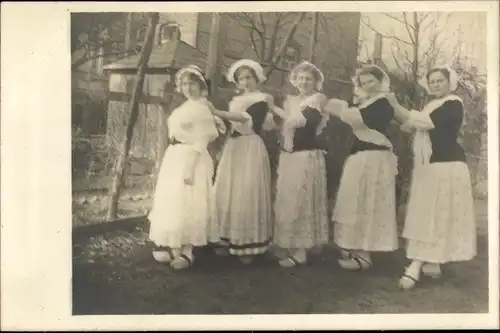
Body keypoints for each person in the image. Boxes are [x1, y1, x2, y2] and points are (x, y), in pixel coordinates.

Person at [386, 65, 477, 290]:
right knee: (431, 212)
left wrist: (395, 104)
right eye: (433, 81)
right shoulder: (431, 106)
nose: (436, 84)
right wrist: (393, 109)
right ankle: (433, 262)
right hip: (432, 165)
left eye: (440, 81)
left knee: (436, 213)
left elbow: (424, 123)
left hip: (447, 165)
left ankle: (416, 264)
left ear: (450, 83)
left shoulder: (453, 103)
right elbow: (409, 125)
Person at [148, 65, 226, 270]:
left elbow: (201, 141)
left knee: (191, 202)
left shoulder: (201, 109)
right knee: (175, 202)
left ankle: (187, 251)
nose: (187, 87)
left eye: (192, 84)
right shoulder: (184, 107)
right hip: (176, 155)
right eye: (184, 83)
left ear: (201, 87)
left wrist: (190, 169)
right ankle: (173, 246)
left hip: (192, 157)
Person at [210, 59, 287, 264]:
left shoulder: (263, 98)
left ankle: (249, 243)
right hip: (234, 146)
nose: (245, 82)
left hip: (250, 146)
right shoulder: (236, 99)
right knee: (229, 191)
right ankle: (228, 239)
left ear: (257, 79)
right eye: (241, 78)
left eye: (249, 77)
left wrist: (218, 112)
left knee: (247, 191)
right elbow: (233, 125)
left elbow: (246, 118)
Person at [324, 65, 398, 271]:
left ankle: (364, 255)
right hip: (359, 157)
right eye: (363, 83)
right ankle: (353, 246)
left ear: (380, 81)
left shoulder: (384, 101)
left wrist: (346, 108)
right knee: (354, 201)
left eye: (370, 81)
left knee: (368, 202)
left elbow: (365, 121)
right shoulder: (365, 102)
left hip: (374, 158)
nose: (367, 86)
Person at [273, 61, 330, 268]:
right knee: (288, 200)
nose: (304, 82)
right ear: (294, 81)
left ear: (316, 82)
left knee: (301, 201)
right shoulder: (291, 101)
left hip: (306, 155)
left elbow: (301, 122)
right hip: (290, 156)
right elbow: (286, 126)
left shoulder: (317, 99)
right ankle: (290, 245)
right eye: (301, 78)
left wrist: (274, 109)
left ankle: (300, 251)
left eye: (309, 78)